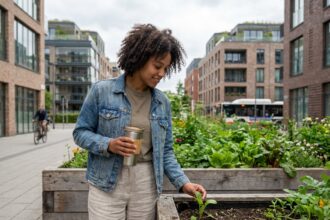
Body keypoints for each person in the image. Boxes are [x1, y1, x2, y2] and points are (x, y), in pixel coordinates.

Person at [73, 24, 207, 220]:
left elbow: (166, 151)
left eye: (166, 68)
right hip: (106, 183)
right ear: (140, 58)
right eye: (157, 66)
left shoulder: (162, 102)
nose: (161, 73)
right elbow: (80, 133)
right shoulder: (102, 91)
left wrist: (184, 183)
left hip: (146, 183)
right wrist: (109, 144)